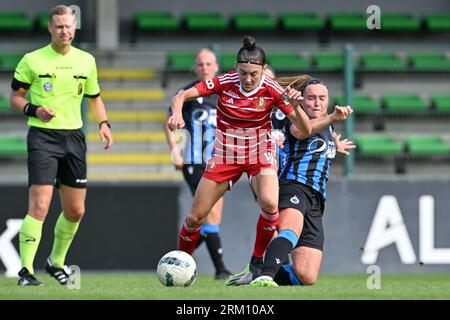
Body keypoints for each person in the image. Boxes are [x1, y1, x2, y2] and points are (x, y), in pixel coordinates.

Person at [168, 36, 312, 274]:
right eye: (243, 72)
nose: (247, 79)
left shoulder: (273, 89)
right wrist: (177, 114)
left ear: (263, 70)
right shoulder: (225, 81)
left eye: (253, 74)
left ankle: (256, 262)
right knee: (196, 217)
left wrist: (295, 106)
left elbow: (305, 130)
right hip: (225, 153)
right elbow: (180, 95)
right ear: (236, 68)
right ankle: (179, 263)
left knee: (269, 203)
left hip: (259, 151)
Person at [9, 5, 113, 286]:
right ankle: (26, 272)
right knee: (40, 205)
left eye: (69, 26)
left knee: (76, 211)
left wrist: (104, 124)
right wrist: (34, 109)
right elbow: (15, 97)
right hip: (43, 137)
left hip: (74, 139)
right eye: (59, 26)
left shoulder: (86, 61)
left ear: (74, 27)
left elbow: (94, 97)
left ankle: (55, 262)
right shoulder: (32, 60)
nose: (64, 31)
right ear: (50, 28)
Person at [247, 77, 355, 286]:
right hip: (293, 186)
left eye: (322, 98)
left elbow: (317, 146)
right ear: (303, 101)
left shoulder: (327, 128)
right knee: (290, 231)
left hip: (316, 199)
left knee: (306, 276)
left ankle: (258, 271)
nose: (317, 102)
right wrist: (333, 116)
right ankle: (265, 276)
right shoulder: (297, 117)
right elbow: (301, 131)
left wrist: (334, 146)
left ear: (328, 100)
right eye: (311, 98)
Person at [164, 48, 231, 279]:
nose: (204, 67)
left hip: (221, 161)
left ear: (216, 66)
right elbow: (169, 123)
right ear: (195, 67)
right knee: (209, 216)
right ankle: (221, 269)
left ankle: (177, 258)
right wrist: (176, 152)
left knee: (209, 217)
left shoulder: (225, 93)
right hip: (196, 161)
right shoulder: (187, 93)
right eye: (200, 64)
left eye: (208, 63)